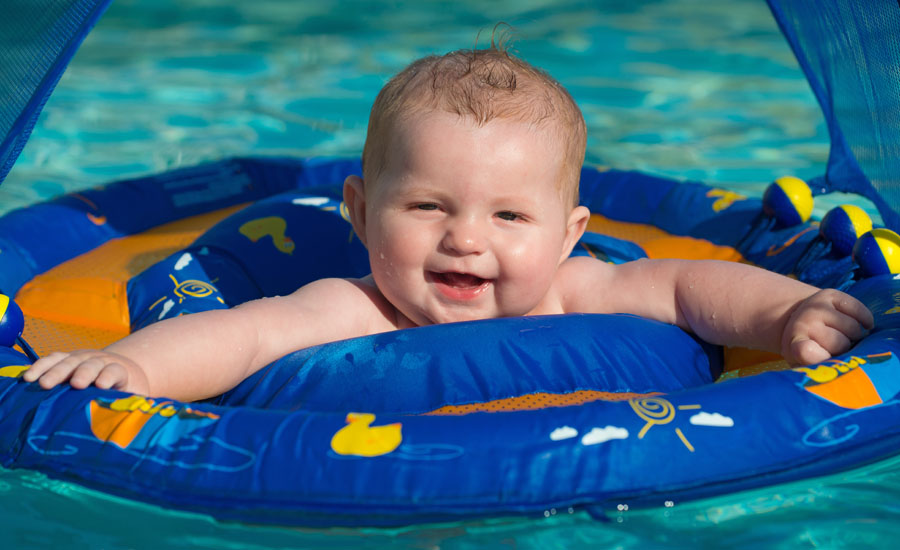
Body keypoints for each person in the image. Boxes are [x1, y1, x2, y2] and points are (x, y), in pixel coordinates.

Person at [24, 47, 873, 401]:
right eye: (428, 206)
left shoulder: (580, 288)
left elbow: (690, 288)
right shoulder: (350, 307)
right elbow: (242, 335)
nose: (466, 239)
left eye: (509, 215)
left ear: (571, 234)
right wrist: (125, 365)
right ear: (358, 213)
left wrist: (787, 313)